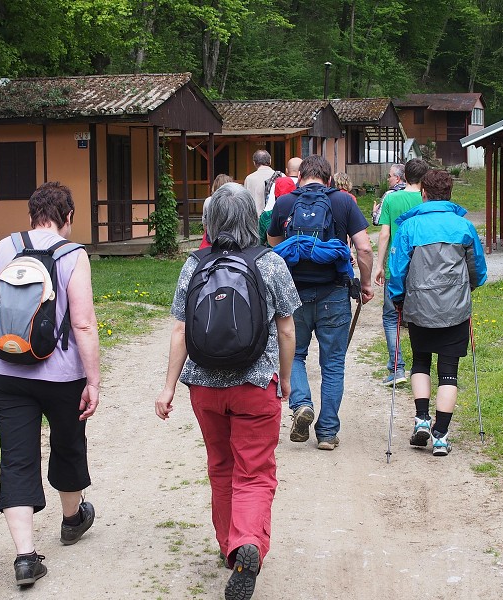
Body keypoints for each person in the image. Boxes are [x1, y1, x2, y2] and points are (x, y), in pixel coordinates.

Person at [155, 182, 300, 600]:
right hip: (256, 384)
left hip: (204, 387)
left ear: (209, 221)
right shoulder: (270, 262)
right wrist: (285, 378)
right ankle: (248, 542)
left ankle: (229, 547)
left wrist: (168, 388)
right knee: (254, 471)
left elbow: (181, 330)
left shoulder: (194, 264)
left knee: (221, 466)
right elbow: (287, 329)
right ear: (252, 219)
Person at [0, 182, 100, 586]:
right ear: (69, 218)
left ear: (32, 216)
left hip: (7, 376)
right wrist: (93, 381)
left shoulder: (5, 247)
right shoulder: (73, 254)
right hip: (63, 376)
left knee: (16, 458)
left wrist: (5, 354)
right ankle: (71, 520)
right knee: (67, 443)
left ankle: (26, 558)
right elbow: (82, 322)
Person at [267, 155, 374, 450]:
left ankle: (302, 404)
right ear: (328, 179)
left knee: (296, 354)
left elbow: (274, 246)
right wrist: (365, 283)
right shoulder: (343, 201)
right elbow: (363, 248)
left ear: (300, 177)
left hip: (294, 295)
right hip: (334, 293)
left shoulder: (285, 203)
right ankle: (327, 432)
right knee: (333, 364)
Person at [388, 169, 487, 456]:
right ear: (450, 194)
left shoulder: (409, 228)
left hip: (418, 307)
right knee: (449, 372)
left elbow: (398, 271)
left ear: (423, 193)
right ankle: (441, 436)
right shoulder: (463, 227)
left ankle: (421, 418)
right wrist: (465, 290)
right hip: (455, 309)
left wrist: (398, 299)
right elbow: (477, 270)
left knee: (420, 362)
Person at [374, 158, 428, 385]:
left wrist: (379, 265)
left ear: (404, 176)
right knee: (421, 317)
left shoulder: (392, 198)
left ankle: (397, 368)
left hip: (396, 267)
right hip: (423, 267)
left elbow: (384, 234)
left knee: (390, 317)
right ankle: (422, 367)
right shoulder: (428, 199)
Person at [200, 173, 233, 249]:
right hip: (231, 237)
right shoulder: (235, 201)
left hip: (211, 238)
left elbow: (205, 223)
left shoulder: (208, 201)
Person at [243, 149, 280, 216]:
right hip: (275, 220)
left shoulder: (249, 179)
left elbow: (246, 202)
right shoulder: (281, 176)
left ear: (254, 162)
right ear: (270, 161)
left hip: (255, 220)